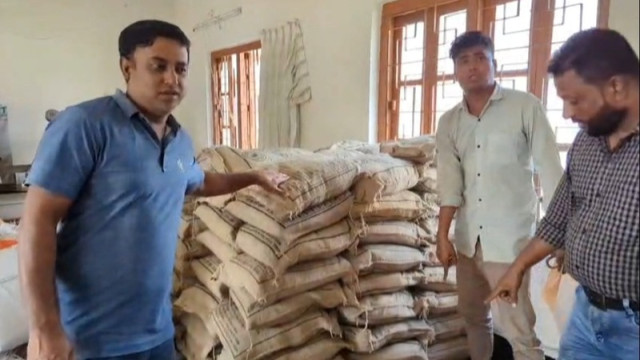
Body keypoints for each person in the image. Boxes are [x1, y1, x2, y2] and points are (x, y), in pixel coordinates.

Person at [18, 20, 287, 360]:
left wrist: (253, 177)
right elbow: (36, 221)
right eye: (159, 66)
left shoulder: (179, 141)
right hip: (88, 340)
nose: (172, 79)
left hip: (157, 336)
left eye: (181, 69)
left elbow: (200, 182)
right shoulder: (85, 126)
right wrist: (43, 329)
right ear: (127, 67)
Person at [488, 28, 639, 360]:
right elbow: (557, 219)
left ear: (616, 86)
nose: (568, 114)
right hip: (586, 314)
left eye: (575, 100)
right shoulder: (586, 143)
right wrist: (517, 268)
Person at [435, 31, 564, 360]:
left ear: (495, 64)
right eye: (464, 61)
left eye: (480, 58)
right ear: (455, 72)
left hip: (510, 243)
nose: (472, 67)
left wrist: (563, 235)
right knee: (475, 318)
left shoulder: (525, 107)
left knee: (520, 330)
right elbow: (450, 182)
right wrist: (443, 235)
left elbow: (550, 171)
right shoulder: (450, 122)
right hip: (468, 242)